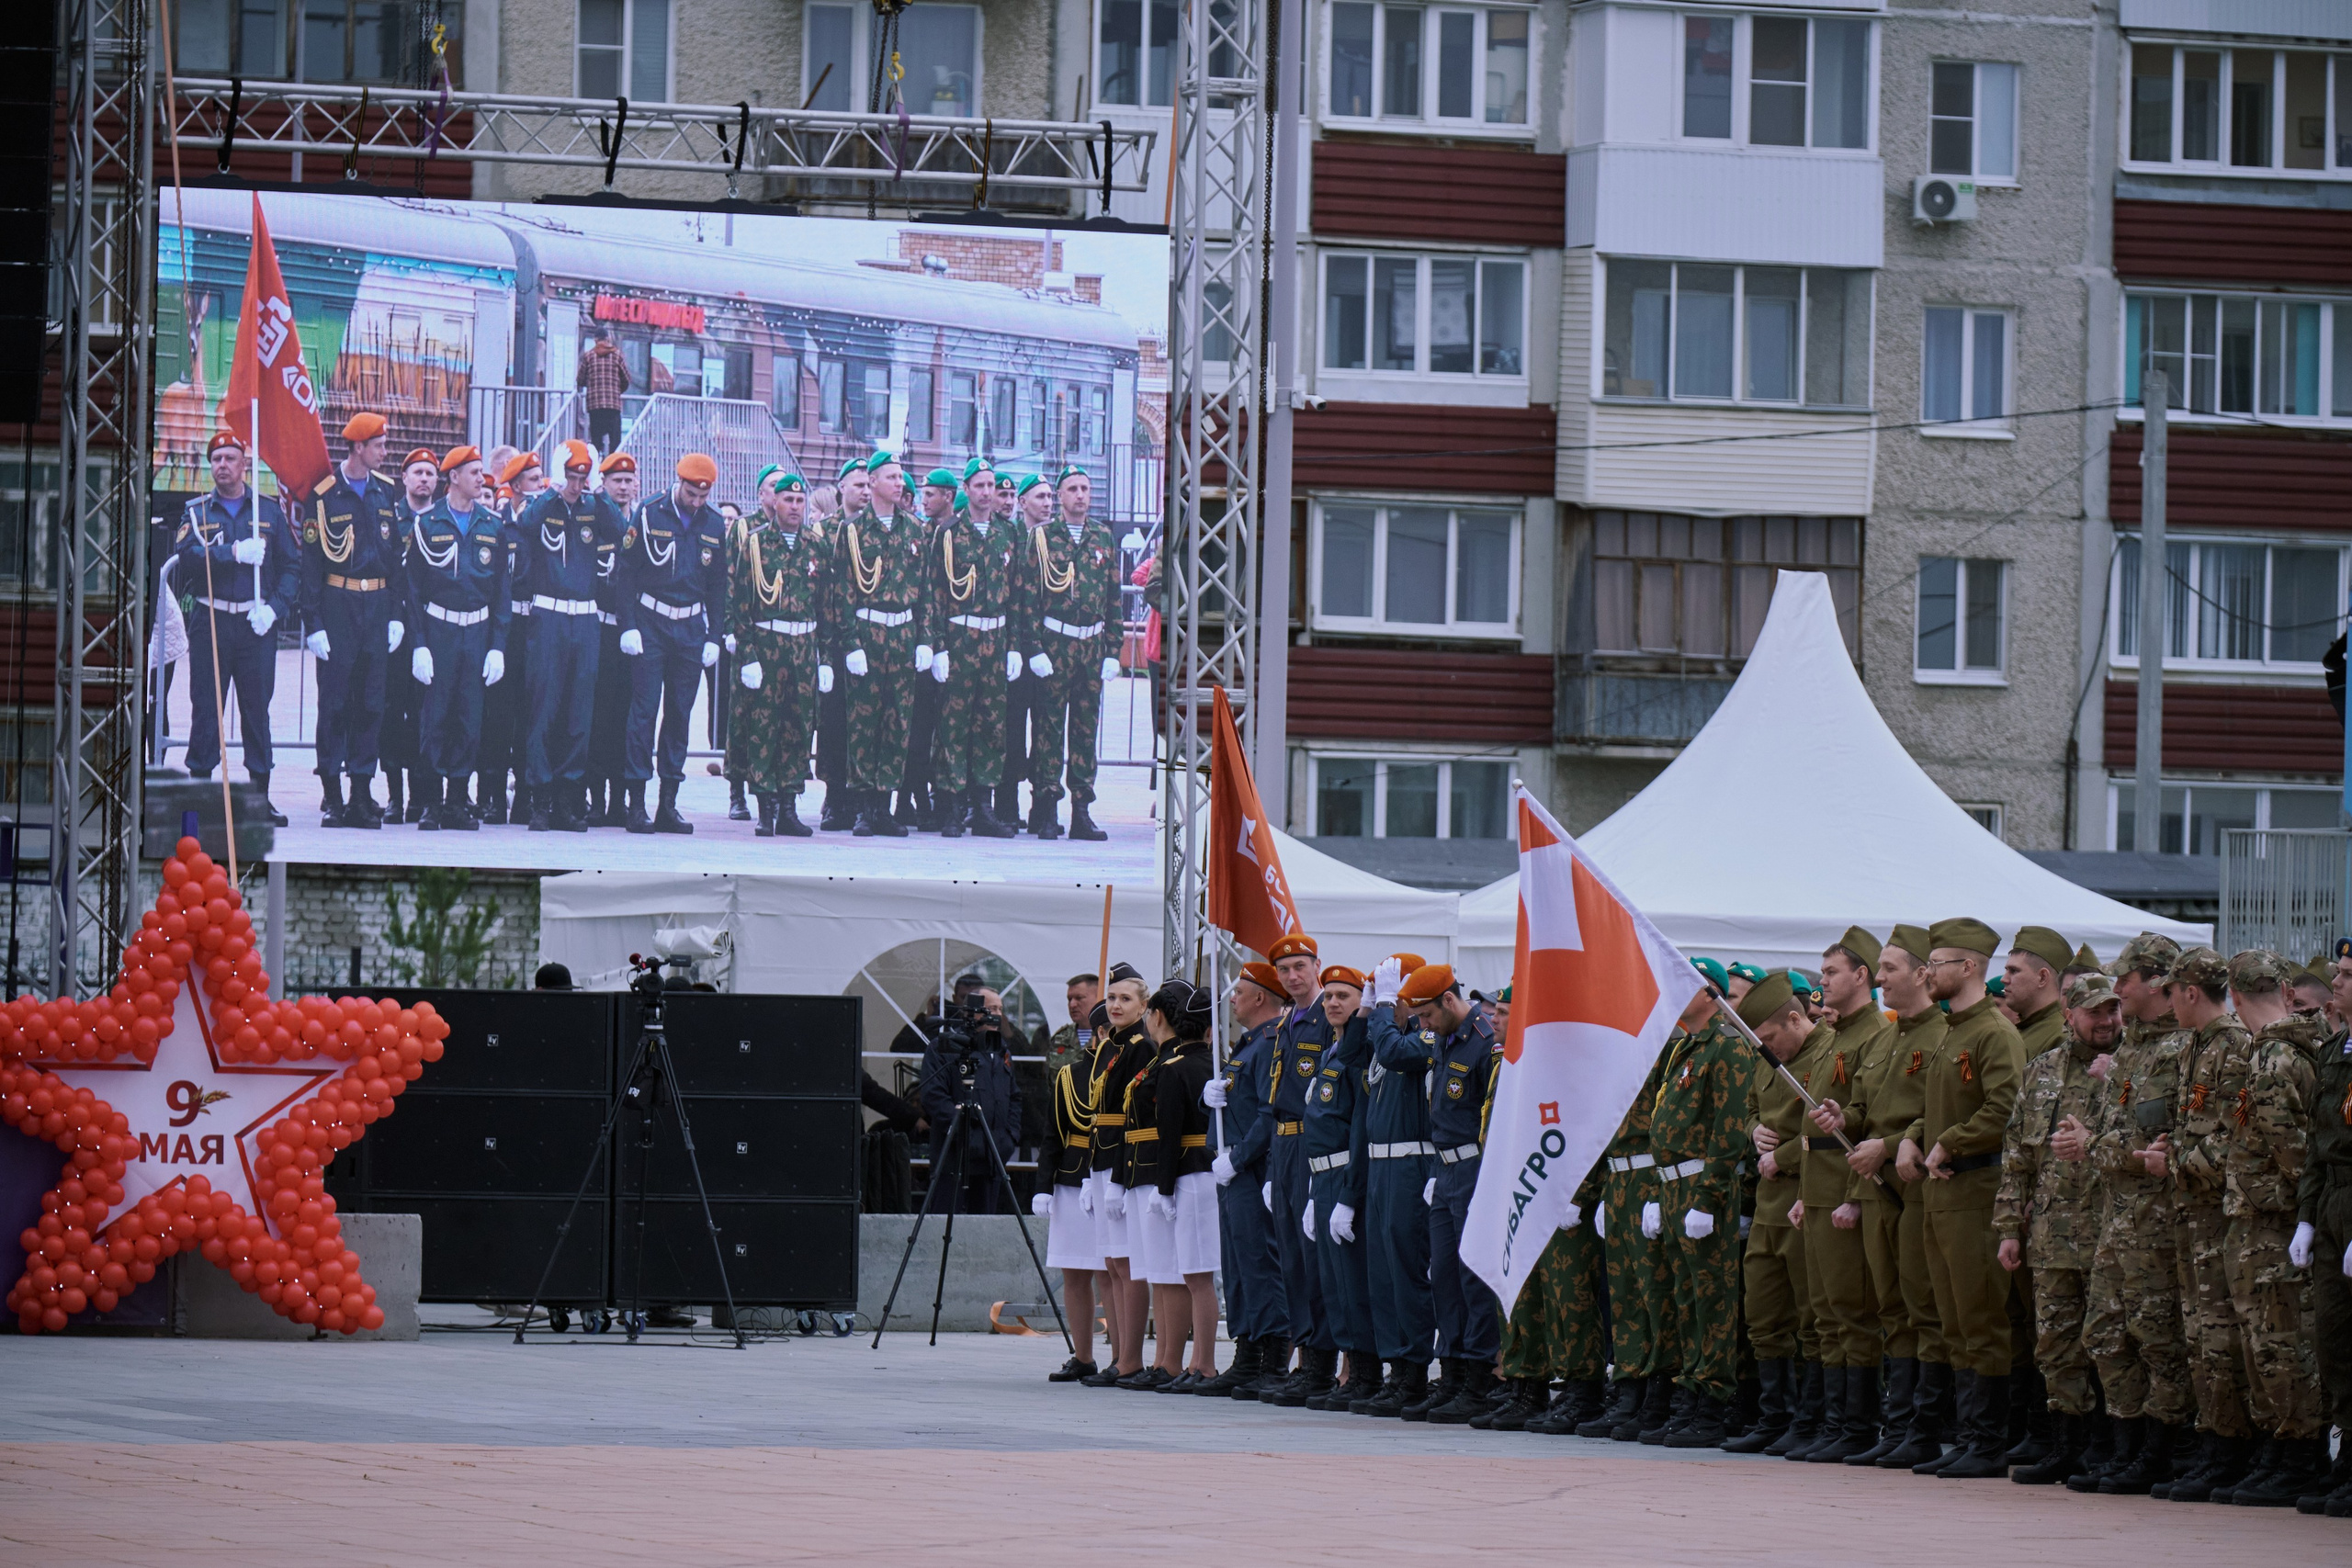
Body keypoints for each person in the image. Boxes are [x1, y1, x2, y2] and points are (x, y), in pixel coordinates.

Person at [1815, 923, 1949, 1468]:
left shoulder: (1942, 1034)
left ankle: (1925, 1428)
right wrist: (1841, 1118)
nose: (1883, 978)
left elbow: (1938, 1116)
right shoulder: (1886, 1038)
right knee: (1891, 1307)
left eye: (1891, 968)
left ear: (1922, 974)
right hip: (1874, 1188)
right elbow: (1865, 1110)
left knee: (1924, 1310)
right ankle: (1896, 1428)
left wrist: (1888, 1143)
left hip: (1916, 1187)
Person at [1901, 916, 2025, 1479]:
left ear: (1969, 967)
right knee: (1951, 1319)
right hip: (1942, 1190)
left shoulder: (1993, 1033)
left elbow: (2006, 1110)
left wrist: (1947, 1141)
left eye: (1939, 964)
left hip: (1977, 1188)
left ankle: (1988, 1440)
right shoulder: (1952, 1031)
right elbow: (1941, 1108)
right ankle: (1966, 1433)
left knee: (1981, 1319)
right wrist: (1911, 1138)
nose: (1929, 974)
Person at [2075, 932, 2193, 1495]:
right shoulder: (2133, 1049)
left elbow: (2166, 1147)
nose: (2116, 989)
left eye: (2124, 978)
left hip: (2158, 1222)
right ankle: (2125, 1446)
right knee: (2104, 1334)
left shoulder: (2186, 1049)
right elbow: (2112, 1134)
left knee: (2158, 1338)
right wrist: (2108, 1150)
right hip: (2117, 1219)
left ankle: (2160, 1450)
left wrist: (2104, 1150)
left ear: (2156, 981)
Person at [2213, 950, 2332, 1507]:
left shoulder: (2273, 1060)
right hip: (2271, 1220)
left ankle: (2298, 1455)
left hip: (2272, 1223)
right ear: (2283, 990)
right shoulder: (2287, 1052)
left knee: (2281, 1345)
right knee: (2268, 1345)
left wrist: (2291, 1208)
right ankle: (2279, 1451)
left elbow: (2292, 1151)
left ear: (2234, 996)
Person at [1994, 969, 2120, 1485]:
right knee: (2056, 1345)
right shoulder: (2042, 1070)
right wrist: (2008, 1227)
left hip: (2111, 1235)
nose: (2106, 1021)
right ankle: (2064, 1445)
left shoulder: (2128, 1067)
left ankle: (2109, 1446)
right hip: (2050, 1235)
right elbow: (2017, 1156)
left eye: (2113, 1010)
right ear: (2070, 1015)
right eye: (2094, 1012)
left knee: (2110, 1342)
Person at [2153, 945, 2258, 1498]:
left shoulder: (2235, 1047)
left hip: (2219, 1213)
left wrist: (2169, 1162)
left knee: (2222, 1335)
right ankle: (2216, 1442)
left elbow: (2234, 1136)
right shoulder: (2196, 1046)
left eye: (2171, 992)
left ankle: (2234, 1447)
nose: (2168, 1003)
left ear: (2191, 991)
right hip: (2190, 1213)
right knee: (2199, 1333)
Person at [1790, 926, 1892, 1461]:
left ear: (1862, 975)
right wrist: (1809, 1192)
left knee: (1853, 1311)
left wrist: (1853, 1194)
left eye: (1831, 972)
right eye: (1822, 972)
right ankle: (1835, 1423)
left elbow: (1870, 1120)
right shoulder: (1837, 1036)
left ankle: (1856, 1426)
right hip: (1820, 1186)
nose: (1823, 982)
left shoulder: (1876, 1034)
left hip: (1849, 1186)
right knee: (1827, 1312)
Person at [1647, 973, 1754, 1448]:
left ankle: (1712, 1404)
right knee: (1685, 1300)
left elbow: (1729, 1129)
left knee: (1712, 1302)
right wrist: (1656, 1192)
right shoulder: (1684, 1048)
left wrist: (1709, 1198)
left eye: (1680, 986)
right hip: (1673, 1187)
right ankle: (1690, 1395)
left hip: (1701, 1188)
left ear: (1708, 995)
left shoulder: (1726, 1047)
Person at [1399, 962, 1503, 1425]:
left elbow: (1494, 1118)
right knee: (1442, 1273)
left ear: (1448, 1000)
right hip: (1445, 1170)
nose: (1422, 1026)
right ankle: (1454, 1372)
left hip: (1476, 1167)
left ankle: (1480, 1379)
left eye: (1425, 1015)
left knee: (1472, 1277)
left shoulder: (1484, 1041)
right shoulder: (1444, 1039)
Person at [176, 431, 298, 825]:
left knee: (256, 710)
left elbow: (293, 568)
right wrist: (231, 553)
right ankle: (201, 795)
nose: (222, 466)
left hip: (254, 624)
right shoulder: (196, 512)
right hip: (211, 621)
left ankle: (258, 798)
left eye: (230, 458)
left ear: (244, 464)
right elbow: (187, 558)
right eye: (216, 460)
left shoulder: (268, 512)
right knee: (207, 709)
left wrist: (275, 609)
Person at [1729, 970, 1826, 1454]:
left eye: (1770, 1038)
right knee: (1763, 1315)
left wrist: (1781, 1154)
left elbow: (1832, 1127)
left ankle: (1810, 1419)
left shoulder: (1828, 1053)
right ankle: (1775, 1415)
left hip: (1807, 1194)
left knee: (1810, 1316)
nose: (1767, 1048)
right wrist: (1754, 1132)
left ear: (1795, 1018)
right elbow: (1752, 1107)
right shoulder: (1767, 1058)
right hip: (1770, 1202)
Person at [300, 412, 406, 829]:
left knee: (371, 703)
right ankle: (332, 794)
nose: (384, 452)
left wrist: (396, 614)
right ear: (358, 448)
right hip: (338, 604)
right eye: (378, 445)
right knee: (335, 704)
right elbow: (311, 564)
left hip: (377, 605)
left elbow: (395, 558)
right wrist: (315, 624)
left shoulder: (386, 492)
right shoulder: (325, 495)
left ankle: (362, 791)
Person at [1995, 925, 2074, 1469]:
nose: (2005, 981)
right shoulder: (2024, 1033)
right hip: (2020, 1194)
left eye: (2014, 971)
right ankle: (2027, 1428)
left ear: (2044, 977)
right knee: (2021, 1318)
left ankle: (2046, 1432)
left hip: (2049, 1202)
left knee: (2044, 1320)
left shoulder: (2056, 1038)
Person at [617, 453, 729, 835]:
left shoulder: (714, 522)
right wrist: (628, 625)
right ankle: (636, 803)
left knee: (680, 715)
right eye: (691, 494)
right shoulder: (649, 512)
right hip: (651, 621)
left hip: (690, 629)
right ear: (678, 482)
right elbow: (626, 572)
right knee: (643, 713)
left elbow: (718, 586)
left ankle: (669, 802)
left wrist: (715, 635)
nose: (696, 502)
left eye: (703, 496)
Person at [517, 440, 625, 832]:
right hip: (548, 614)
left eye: (583, 477)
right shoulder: (545, 505)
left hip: (584, 618)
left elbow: (622, 531)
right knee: (544, 708)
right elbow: (525, 526)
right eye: (573, 477)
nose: (577, 485)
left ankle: (568, 798)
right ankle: (540, 800)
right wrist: (554, 488)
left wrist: (599, 487)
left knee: (580, 713)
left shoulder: (595, 507)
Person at [827, 454, 931, 838]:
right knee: (863, 723)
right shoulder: (852, 532)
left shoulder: (917, 532)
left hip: (902, 634)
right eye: (891, 477)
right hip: (868, 633)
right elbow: (842, 592)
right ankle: (863, 807)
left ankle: (885, 804)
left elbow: (926, 593)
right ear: (872, 483)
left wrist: (926, 640)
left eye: (901, 477)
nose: (899, 483)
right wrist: (850, 644)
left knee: (896, 722)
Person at [405, 446, 508, 832]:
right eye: (473, 472)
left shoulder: (492, 524)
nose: (481, 478)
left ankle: (457, 802)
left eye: (482, 471)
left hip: (477, 630)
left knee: (469, 718)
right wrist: (419, 645)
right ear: (453, 478)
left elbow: (502, 592)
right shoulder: (427, 523)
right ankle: (431, 802)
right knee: (434, 718)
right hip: (439, 629)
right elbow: (412, 590)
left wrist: (497, 645)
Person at [1121, 978, 1217, 1389]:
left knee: (1191, 1274)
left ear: (1157, 1015)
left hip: (1185, 1171)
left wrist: (1162, 1188)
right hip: (1175, 1170)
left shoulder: (1175, 1066)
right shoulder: (1182, 1062)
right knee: (1172, 1272)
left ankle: (1197, 1363)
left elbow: (1171, 1131)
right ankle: (1175, 1361)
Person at [1357, 953, 1442, 1417]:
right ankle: (1396, 1366)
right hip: (1380, 1167)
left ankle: (1413, 1371)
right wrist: (1369, 1011)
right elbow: (1353, 1054)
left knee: (1409, 1272)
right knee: (1383, 1274)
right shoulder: (1386, 1031)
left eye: (1396, 995)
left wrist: (1387, 1007)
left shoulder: (1426, 1037)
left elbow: (1392, 1054)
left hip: (1412, 1164)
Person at [1199, 961, 1288, 1397]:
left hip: (1253, 1169)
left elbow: (1268, 1115)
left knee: (1260, 1264)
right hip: (1233, 1170)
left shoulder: (1271, 1042)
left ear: (1259, 998)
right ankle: (1247, 1353)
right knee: (1237, 1267)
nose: (1231, 998)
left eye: (1239, 992)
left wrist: (1239, 1158)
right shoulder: (1248, 1045)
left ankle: (1272, 1362)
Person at [1021, 465, 1123, 841]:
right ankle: (1046, 807)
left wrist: (1114, 649)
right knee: (1048, 728)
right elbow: (1029, 598)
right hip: (1055, 643)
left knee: (1084, 730)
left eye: (1085, 488)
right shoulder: (1042, 539)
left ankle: (1082, 810)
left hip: (1091, 646)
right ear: (1060, 497)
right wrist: (1033, 648)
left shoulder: (1102, 537)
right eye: (1072, 489)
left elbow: (1114, 599)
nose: (1080, 495)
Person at [1584, 1028, 1676, 1441]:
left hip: (1647, 1176)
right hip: (1618, 1178)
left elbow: (1670, 1128)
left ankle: (1659, 1394)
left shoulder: (1668, 1049)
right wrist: (1604, 1190)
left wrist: (1657, 1191)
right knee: (1622, 1294)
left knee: (1653, 1295)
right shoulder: (1616, 1051)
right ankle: (1629, 1388)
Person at [726, 468, 829, 837]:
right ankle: (765, 807)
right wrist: (748, 654)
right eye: (788, 499)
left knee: (798, 727)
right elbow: (740, 604)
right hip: (767, 645)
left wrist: (826, 657)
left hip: (803, 646)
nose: (795, 507)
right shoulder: (754, 543)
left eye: (801, 501)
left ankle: (789, 806)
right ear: (774, 501)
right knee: (763, 727)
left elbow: (826, 606)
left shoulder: (816, 545)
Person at [1292, 964, 1375, 1409]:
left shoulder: (1357, 1056)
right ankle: (1348, 1371)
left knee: (1351, 1282)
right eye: (1328, 997)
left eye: (1345, 996)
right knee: (1329, 1284)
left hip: (1345, 1174)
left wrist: (1347, 1195)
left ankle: (1363, 1373)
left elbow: (1358, 1130)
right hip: (1319, 1176)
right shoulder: (1330, 1053)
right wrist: (1312, 1193)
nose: (1333, 1004)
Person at [1258, 932, 1336, 1404]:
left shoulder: (1328, 1015)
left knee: (1313, 1261)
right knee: (1291, 1259)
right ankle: (1306, 1354)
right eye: (1284, 971)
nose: (1292, 977)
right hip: (1284, 1145)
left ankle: (1321, 1364)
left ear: (1316, 966)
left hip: (1312, 1142)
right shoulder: (1290, 1020)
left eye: (1299, 967)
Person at [925, 459, 1021, 839]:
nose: (986, 492)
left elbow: (1017, 597)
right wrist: (938, 647)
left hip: (994, 640)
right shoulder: (948, 533)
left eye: (991, 485)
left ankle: (983, 808)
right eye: (979, 485)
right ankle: (951, 806)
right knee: (953, 726)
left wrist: (1013, 647)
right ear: (966, 488)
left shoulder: (1008, 534)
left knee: (990, 727)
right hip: (960, 637)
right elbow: (933, 593)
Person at [2293, 952, 2352, 1516]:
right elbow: (2318, 1142)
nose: (2337, 983)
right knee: (2334, 1339)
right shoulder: (2337, 1050)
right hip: (2334, 1199)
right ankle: (2347, 1463)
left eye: (2349, 976)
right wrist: (2308, 1216)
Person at [1081, 964, 1153, 1386]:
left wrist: (1119, 1178)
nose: (1115, 1005)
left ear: (1144, 1006)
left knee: (1126, 1264)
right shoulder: (1111, 1047)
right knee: (1110, 1263)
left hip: (1121, 1159)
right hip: (1101, 1156)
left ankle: (1131, 1358)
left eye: (1125, 999)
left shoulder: (1141, 1048)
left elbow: (1132, 1117)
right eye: (1110, 998)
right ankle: (1118, 1355)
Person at [1036, 997, 1107, 1383]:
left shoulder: (1132, 1071)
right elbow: (1053, 1135)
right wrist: (1043, 1186)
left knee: (1114, 1273)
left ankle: (1123, 1357)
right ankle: (1083, 1355)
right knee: (1076, 1272)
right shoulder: (1069, 1075)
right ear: (1097, 1035)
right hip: (1071, 1177)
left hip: (1112, 1176)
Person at [477, 448, 543, 825]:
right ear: (516, 486)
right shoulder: (496, 523)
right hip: (503, 627)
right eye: (533, 482)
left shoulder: (542, 523)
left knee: (530, 714)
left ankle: (525, 796)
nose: (540, 487)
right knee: (498, 715)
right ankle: (492, 796)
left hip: (535, 626)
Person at [915, 988, 1023, 1216]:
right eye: (992, 1009)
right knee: (945, 1217)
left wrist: (1009, 1136)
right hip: (954, 1154)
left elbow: (1014, 1097)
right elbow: (933, 1096)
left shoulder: (1000, 1050)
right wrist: (964, 1125)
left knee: (984, 1223)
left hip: (993, 1156)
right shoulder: (944, 1048)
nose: (998, 1015)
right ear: (972, 1012)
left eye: (1001, 1010)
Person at [381, 446, 441, 824]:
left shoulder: (442, 520)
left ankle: (421, 795)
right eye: (417, 472)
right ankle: (394, 795)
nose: (424, 479)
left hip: (433, 632)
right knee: (391, 711)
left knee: (426, 713)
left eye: (430, 473)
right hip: (394, 629)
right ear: (403, 478)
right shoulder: (389, 517)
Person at [813, 457, 869, 831]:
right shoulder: (824, 533)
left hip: (871, 640)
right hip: (832, 640)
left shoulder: (877, 531)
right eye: (858, 485)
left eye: (869, 485)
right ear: (841, 489)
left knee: (866, 722)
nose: (864, 492)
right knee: (832, 721)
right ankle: (834, 798)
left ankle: (864, 799)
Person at [997, 472, 1053, 832]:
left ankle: (1043, 807)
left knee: (1046, 731)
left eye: (1050, 496)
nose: (1047, 503)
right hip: (1017, 648)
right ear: (1022, 503)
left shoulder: (1059, 539)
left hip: (1052, 651)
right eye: (1039, 497)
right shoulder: (1014, 537)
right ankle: (1005, 805)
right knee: (1011, 730)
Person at [585, 451, 639, 826]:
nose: (622, 486)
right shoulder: (595, 516)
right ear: (602, 483)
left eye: (628, 480)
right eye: (615, 480)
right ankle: (597, 799)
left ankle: (621, 799)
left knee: (626, 715)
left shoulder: (642, 521)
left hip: (633, 631)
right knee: (597, 715)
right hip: (600, 627)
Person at [577, 326, 631, 455]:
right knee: (615, 442)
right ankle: (611, 468)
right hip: (613, 406)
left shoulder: (588, 356)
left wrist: (591, 384)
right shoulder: (617, 355)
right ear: (607, 339)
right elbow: (627, 379)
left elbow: (580, 379)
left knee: (596, 442)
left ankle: (596, 468)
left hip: (595, 406)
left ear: (595, 340)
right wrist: (617, 391)